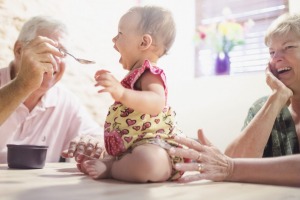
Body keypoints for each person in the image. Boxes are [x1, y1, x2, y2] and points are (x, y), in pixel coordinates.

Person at [83, 5, 188, 183]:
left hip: (155, 145)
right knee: (105, 154)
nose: (114, 39)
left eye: (120, 34)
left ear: (143, 43)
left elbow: (156, 102)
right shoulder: (134, 76)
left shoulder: (150, 73)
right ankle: (113, 160)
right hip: (131, 146)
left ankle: (112, 167)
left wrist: (121, 92)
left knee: (149, 161)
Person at [0, 16, 104, 164]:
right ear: (18, 50)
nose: (54, 59)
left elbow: (99, 139)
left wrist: (94, 143)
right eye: (44, 48)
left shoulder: (65, 100)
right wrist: (24, 84)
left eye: (63, 53)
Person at [225, 13, 300, 158]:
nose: (276, 58)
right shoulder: (261, 108)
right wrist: (277, 97)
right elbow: (231, 164)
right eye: (272, 52)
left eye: (288, 47)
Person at [168, 129, 300, 187]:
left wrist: (231, 168)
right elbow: (235, 157)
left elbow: (232, 162)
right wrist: (275, 100)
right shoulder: (264, 105)